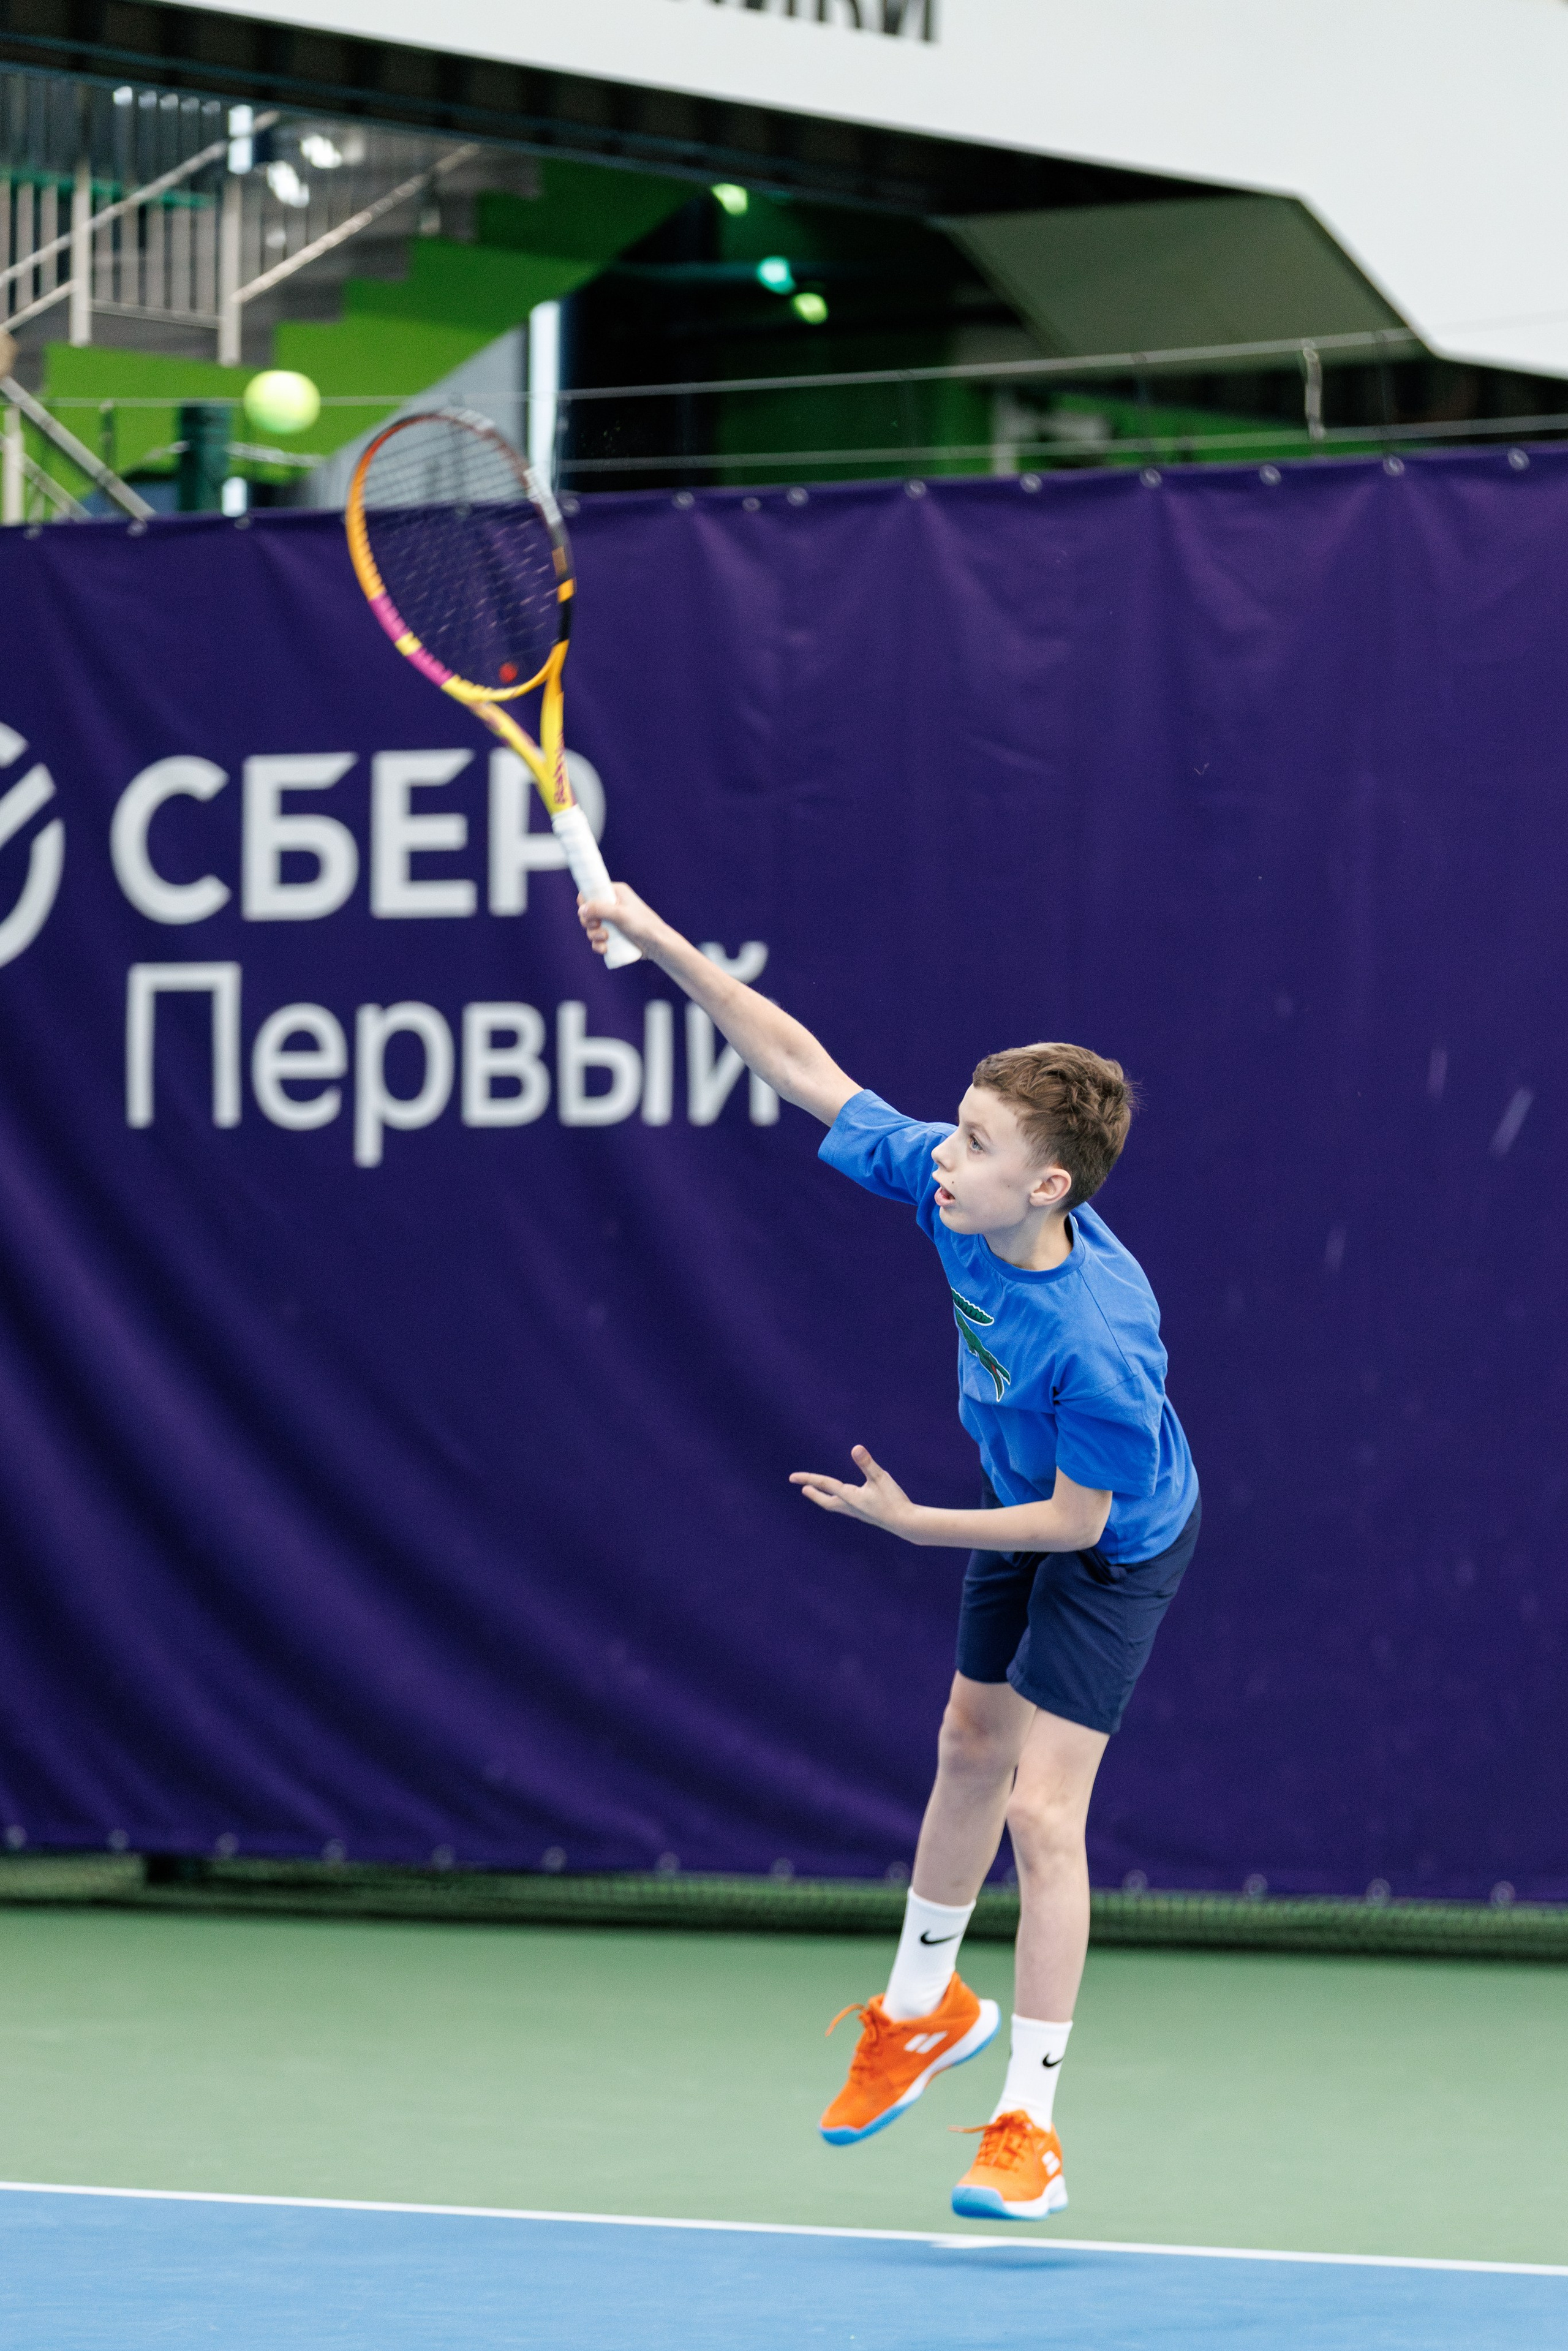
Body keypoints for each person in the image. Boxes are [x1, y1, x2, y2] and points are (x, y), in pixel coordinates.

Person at [579, 883, 1200, 2224]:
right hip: (1008, 1490)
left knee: (1042, 1811)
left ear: (1042, 1183)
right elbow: (802, 1064)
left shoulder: (1096, 1338)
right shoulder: (949, 1184)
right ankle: (920, 2009)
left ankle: (1028, 2123)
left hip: (1106, 1540)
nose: (940, 1157)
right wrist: (660, 939)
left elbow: (1075, 1529)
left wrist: (914, 1524)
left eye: (971, 1144)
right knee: (965, 1745)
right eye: (951, 1128)